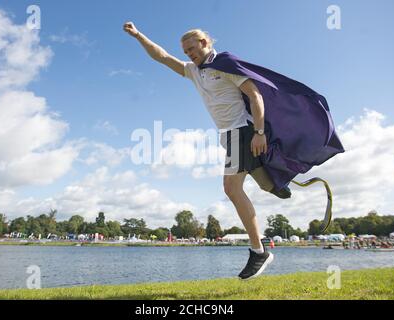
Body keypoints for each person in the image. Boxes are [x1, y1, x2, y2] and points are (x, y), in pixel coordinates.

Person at [123, 22, 344, 280]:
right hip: (228, 136)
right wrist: (138, 35)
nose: (189, 54)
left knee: (231, 188)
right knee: (263, 186)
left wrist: (259, 132)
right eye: (185, 51)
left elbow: (256, 96)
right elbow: (162, 57)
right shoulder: (194, 71)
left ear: (205, 43)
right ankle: (278, 183)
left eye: (192, 49)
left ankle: (258, 250)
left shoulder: (225, 64)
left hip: (243, 130)